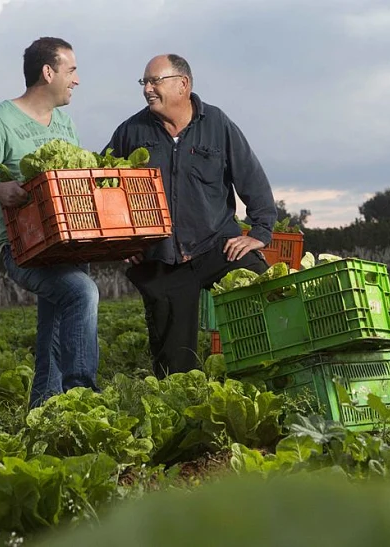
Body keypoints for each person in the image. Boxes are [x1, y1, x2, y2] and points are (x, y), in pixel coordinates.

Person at [102, 54, 277, 378]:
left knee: (262, 296)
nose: (147, 89)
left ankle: (267, 379)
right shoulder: (130, 131)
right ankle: (183, 415)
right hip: (162, 258)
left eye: (155, 81)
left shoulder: (217, 124)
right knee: (175, 367)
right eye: (145, 82)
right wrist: (122, 242)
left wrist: (259, 233)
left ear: (183, 84)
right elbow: (102, 188)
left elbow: (253, 182)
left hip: (217, 247)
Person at [0, 37, 100, 408]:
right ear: (48, 71)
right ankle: (83, 396)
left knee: (54, 333)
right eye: (71, 70)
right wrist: (0, 190)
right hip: (24, 248)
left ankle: (42, 412)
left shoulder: (66, 124)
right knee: (82, 293)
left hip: (67, 245)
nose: (76, 80)